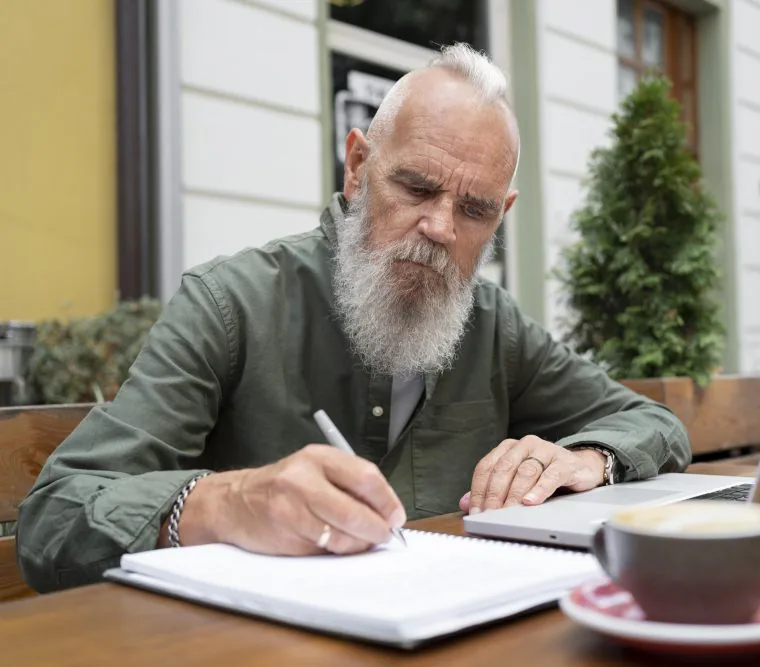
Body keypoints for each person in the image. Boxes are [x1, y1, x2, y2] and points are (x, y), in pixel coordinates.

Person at [16, 43, 691, 592]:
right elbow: (54, 517)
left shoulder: (494, 325)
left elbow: (655, 423)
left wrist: (586, 458)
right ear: (358, 165)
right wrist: (225, 502)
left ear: (501, 216)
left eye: (475, 210)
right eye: (417, 187)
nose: (438, 227)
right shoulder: (232, 303)